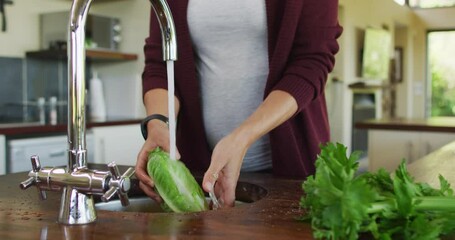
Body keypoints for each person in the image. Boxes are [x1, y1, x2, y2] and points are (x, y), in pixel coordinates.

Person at [136, 0, 343, 207]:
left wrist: (241, 138)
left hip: (290, 172)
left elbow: (311, 62)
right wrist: (158, 122)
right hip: (202, 171)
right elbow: (159, 64)